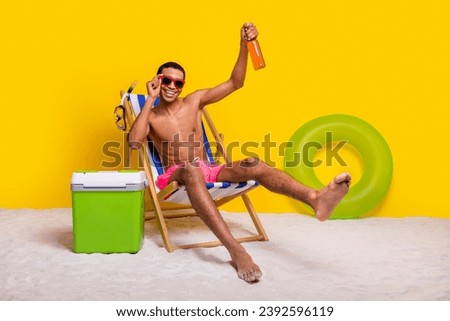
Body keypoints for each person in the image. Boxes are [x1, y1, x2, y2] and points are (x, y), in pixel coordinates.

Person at [128, 22, 351, 283]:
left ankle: (315, 198)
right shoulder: (151, 116)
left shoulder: (195, 101)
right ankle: (236, 249)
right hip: (176, 175)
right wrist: (150, 100)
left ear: (183, 85)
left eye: (178, 82)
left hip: (207, 169)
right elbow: (134, 142)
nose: (172, 86)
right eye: (166, 80)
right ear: (157, 80)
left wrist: (244, 46)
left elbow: (236, 82)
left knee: (253, 164)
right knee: (190, 170)